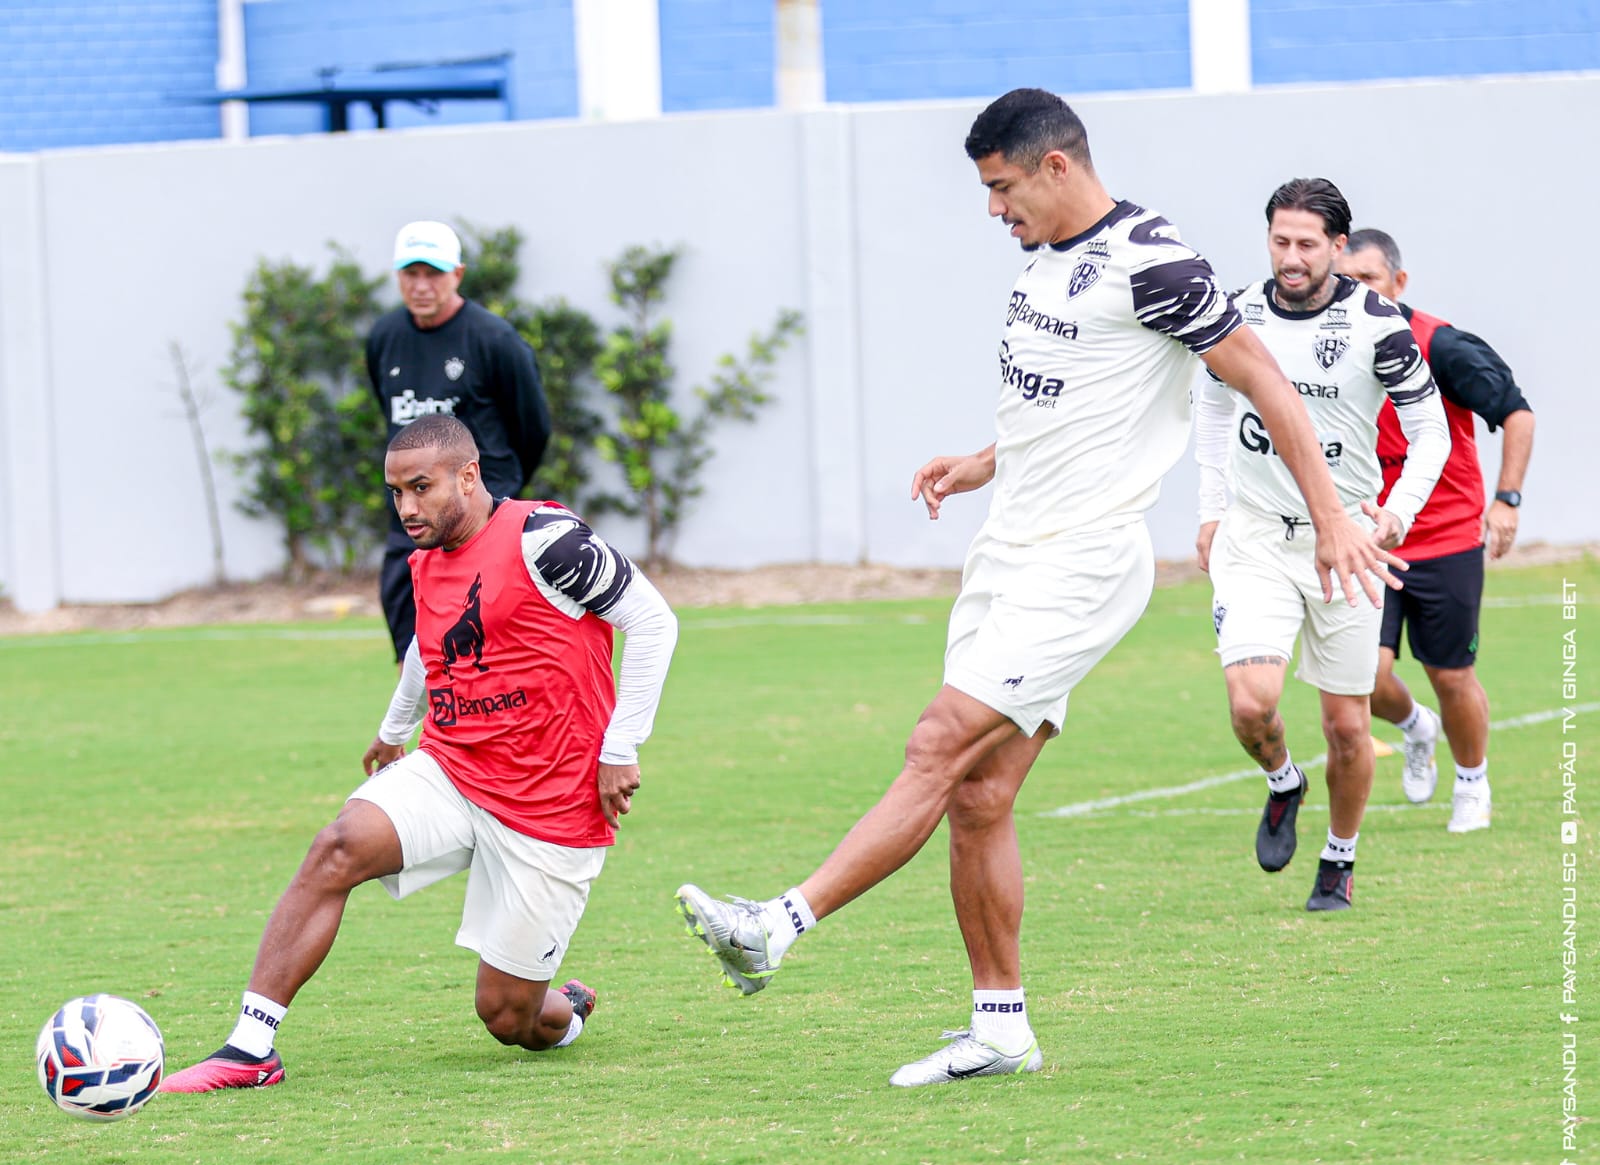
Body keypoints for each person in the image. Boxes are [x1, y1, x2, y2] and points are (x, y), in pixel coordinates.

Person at [675, 90, 1403, 1088]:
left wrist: (1329, 519)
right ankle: (1000, 1025)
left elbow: (1266, 383)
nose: (992, 209)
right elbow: (1068, 398)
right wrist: (983, 462)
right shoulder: (1047, 260)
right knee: (979, 793)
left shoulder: (1155, 259)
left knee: (936, 742)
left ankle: (776, 925)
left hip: (1082, 565)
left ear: (1055, 167)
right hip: (1005, 550)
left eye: (1000, 186)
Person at [161, 414, 677, 1091]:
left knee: (507, 1015)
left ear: (469, 476)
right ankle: (251, 1050)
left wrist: (620, 745)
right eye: (395, 492)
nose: (406, 507)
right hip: (454, 769)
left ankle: (566, 1011)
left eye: (420, 487)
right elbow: (423, 647)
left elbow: (652, 619)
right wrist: (393, 727)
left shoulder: (546, 540)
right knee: (337, 845)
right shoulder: (427, 556)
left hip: (551, 803)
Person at [1193, 180, 1450, 912]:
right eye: (1280, 241)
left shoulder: (1379, 324)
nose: (1292, 257)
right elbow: (1210, 404)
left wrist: (1396, 512)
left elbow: (1428, 428)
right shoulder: (1235, 313)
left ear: (1340, 246)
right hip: (1256, 537)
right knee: (1252, 703)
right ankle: (1281, 779)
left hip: (1346, 546)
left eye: (1308, 244)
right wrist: (1212, 509)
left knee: (1346, 724)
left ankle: (1339, 857)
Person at [1338, 228, 1535, 833]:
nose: (1356, 291)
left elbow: (1517, 414)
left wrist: (1505, 502)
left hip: (1445, 538)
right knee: (1360, 676)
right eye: (1346, 281)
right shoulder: (1328, 349)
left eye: (1368, 279)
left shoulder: (1441, 346)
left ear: (1398, 283)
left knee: (1451, 676)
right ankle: (1415, 728)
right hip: (1368, 540)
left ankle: (1472, 781)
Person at [368, 220, 554, 663]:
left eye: (433, 273)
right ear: (397, 277)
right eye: (410, 274)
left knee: (488, 658)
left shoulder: (495, 340)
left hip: (482, 525)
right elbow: (393, 421)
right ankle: (423, 736)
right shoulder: (383, 338)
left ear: (458, 274)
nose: (421, 285)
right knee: (413, 658)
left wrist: (495, 492)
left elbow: (533, 429)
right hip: (411, 526)